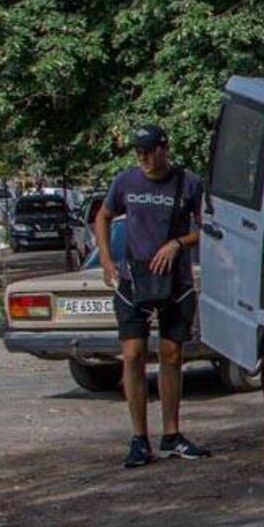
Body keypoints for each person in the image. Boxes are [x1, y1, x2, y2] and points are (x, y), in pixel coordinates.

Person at [95, 124, 211, 468]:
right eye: (138, 152)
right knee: (132, 354)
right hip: (134, 280)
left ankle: (172, 435)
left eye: (149, 150)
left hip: (174, 282)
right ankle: (138, 438)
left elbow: (206, 228)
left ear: (165, 147)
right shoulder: (125, 182)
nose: (143, 157)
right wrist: (105, 258)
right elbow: (103, 216)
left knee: (172, 355)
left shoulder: (188, 183)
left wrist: (178, 244)